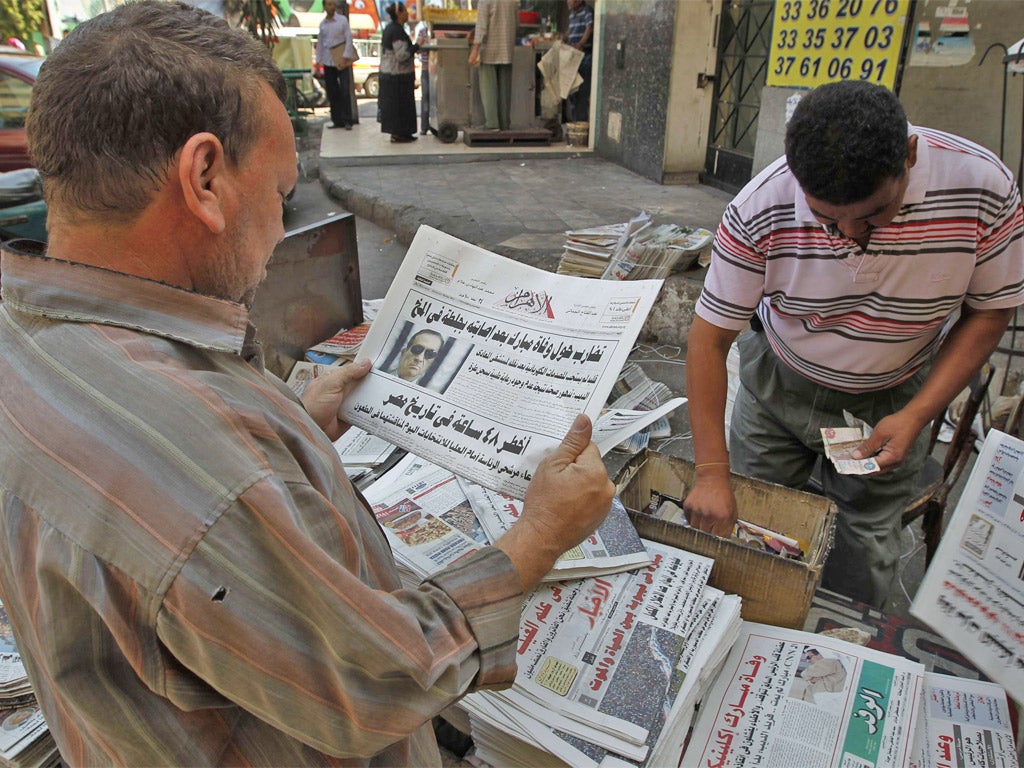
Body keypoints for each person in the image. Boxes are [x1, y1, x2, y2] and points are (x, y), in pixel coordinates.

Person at [0, 3, 615, 765]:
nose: (277, 226)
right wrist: (539, 536)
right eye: (279, 192)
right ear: (204, 179)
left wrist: (287, 423)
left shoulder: (24, 332)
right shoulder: (211, 476)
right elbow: (377, 681)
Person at [684, 80, 1024, 610]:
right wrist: (710, 473)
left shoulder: (983, 188)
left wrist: (916, 415)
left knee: (864, 544)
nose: (848, 234)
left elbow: (990, 310)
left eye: (872, 215)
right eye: (825, 218)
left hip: (895, 395)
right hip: (778, 384)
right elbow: (709, 340)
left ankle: (847, 635)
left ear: (910, 156)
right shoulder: (760, 207)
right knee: (751, 519)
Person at [468, 0, 519, 131]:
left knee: (488, 88)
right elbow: (517, 23)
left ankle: (492, 124)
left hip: (489, 50)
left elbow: (482, 27)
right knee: (505, 89)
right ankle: (504, 123)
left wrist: (475, 49)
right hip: (507, 49)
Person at [380, 2, 419, 143]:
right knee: (399, 107)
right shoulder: (396, 31)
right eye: (405, 12)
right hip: (397, 76)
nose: (408, 14)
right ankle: (398, 134)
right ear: (399, 14)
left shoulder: (393, 29)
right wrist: (416, 46)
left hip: (394, 75)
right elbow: (401, 55)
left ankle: (404, 133)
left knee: (402, 107)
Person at [315, 0, 355, 130]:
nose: (331, 7)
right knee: (332, 91)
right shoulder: (323, 24)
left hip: (341, 58)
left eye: (333, 4)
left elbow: (349, 39)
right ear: (324, 6)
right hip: (328, 60)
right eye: (329, 4)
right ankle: (337, 120)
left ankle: (348, 120)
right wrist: (318, 62)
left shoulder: (342, 20)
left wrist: (345, 57)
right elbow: (320, 44)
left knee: (345, 90)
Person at [565, 0, 593, 123]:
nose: (568, 2)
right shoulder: (572, 15)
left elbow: (590, 26)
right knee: (573, 93)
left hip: (584, 56)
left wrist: (581, 43)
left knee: (581, 93)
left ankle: (581, 123)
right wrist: (564, 38)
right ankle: (575, 123)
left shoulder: (586, 11)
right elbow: (571, 32)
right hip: (573, 58)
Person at [412, 5, 432, 135]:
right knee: (426, 97)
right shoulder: (423, 32)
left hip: (438, 69)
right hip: (426, 69)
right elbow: (417, 50)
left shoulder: (438, 32)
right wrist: (420, 44)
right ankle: (424, 126)